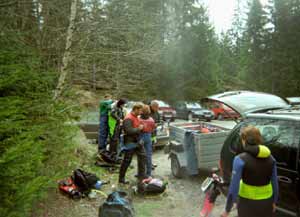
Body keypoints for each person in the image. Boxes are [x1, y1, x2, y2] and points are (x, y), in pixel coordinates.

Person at [221, 126, 279, 217]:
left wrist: (227, 209)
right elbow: (275, 183)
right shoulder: (271, 158)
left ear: (244, 140)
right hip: (267, 203)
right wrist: (274, 202)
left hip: (247, 204)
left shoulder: (240, 159)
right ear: (259, 139)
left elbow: (234, 187)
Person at [119, 103, 147, 184]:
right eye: (140, 110)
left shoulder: (136, 117)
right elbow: (128, 131)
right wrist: (139, 128)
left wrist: (141, 128)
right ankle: (121, 179)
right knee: (127, 161)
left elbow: (136, 129)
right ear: (136, 109)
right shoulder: (128, 118)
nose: (141, 112)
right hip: (130, 142)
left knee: (143, 157)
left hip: (137, 141)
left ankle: (141, 176)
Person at [139, 105, 156, 177]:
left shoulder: (139, 119)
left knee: (140, 156)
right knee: (148, 155)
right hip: (148, 137)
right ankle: (148, 173)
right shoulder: (151, 120)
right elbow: (153, 129)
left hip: (141, 137)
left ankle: (140, 173)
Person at [149, 100, 160, 168]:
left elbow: (159, 120)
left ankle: (150, 163)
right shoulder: (147, 112)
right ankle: (148, 164)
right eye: (156, 107)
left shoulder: (156, 112)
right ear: (152, 106)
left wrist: (158, 123)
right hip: (148, 134)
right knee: (147, 150)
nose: (157, 109)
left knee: (152, 149)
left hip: (153, 134)